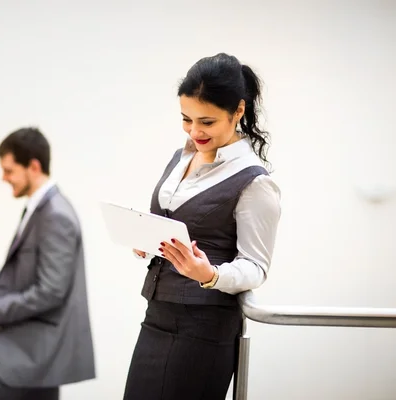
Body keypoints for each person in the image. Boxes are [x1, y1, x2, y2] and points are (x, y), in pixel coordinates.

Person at [123, 53, 282, 400]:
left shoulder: (255, 182)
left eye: (206, 122)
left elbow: (256, 267)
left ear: (238, 111)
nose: (195, 132)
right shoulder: (183, 156)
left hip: (202, 328)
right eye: (186, 119)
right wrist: (148, 238)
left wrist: (209, 274)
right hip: (157, 314)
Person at [0, 127, 96, 400]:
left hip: (34, 355)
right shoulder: (38, 209)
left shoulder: (55, 215)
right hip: (35, 354)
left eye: (9, 171)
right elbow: (16, 277)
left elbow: (49, 292)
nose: (4, 178)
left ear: (33, 166)